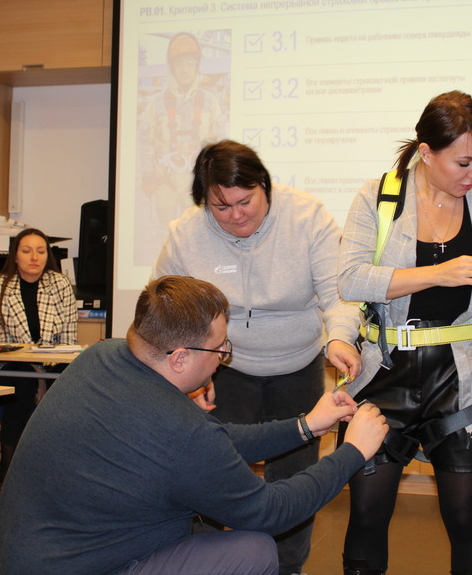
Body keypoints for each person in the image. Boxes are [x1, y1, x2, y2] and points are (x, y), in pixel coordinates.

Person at [0, 275, 389, 575]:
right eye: (219, 348)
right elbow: (270, 511)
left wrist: (306, 425)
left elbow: (215, 443)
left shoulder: (101, 357)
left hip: (30, 555)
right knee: (253, 551)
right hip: (84, 566)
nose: (223, 356)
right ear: (180, 358)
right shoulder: (179, 430)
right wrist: (352, 452)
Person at [337, 90, 472, 575]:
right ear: (426, 152)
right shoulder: (379, 197)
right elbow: (350, 279)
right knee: (367, 513)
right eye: (463, 163)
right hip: (384, 374)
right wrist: (437, 274)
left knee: (467, 517)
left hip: (462, 377)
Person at [152, 139, 362, 575]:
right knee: (209, 473)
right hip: (223, 370)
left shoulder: (307, 217)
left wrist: (341, 339)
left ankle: (287, 567)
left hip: (298, 367)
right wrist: (189, 378)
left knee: (295, 478)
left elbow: (338, 291)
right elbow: (166, 310)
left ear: (264, 185)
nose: (235, 215)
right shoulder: (186, 234)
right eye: (221, 207)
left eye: (245, 201)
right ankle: (205, 564)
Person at [0, 227, 77, 504]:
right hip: (12, 365)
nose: (34, 257)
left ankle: (53, 476)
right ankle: (7, 469)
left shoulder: (60, 284)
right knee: (21, 387)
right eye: (26, 251)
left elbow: (68, 341)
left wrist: (45, 377)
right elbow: (1, 344)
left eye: (40, 251)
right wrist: (37, 377)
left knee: (65, 388)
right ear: (15, 255)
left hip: (55, 362)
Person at [137, 31, 228, 263]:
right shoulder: (155, 104)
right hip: (165, 182)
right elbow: (146, 142)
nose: (185, 69)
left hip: (200, 185)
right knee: (164, 238)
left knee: (203, 239)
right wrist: (149, 177)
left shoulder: (211, 102)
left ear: (197, 64)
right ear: (172, 67)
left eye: (190, 62)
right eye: (180, 63)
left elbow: (220, 143)